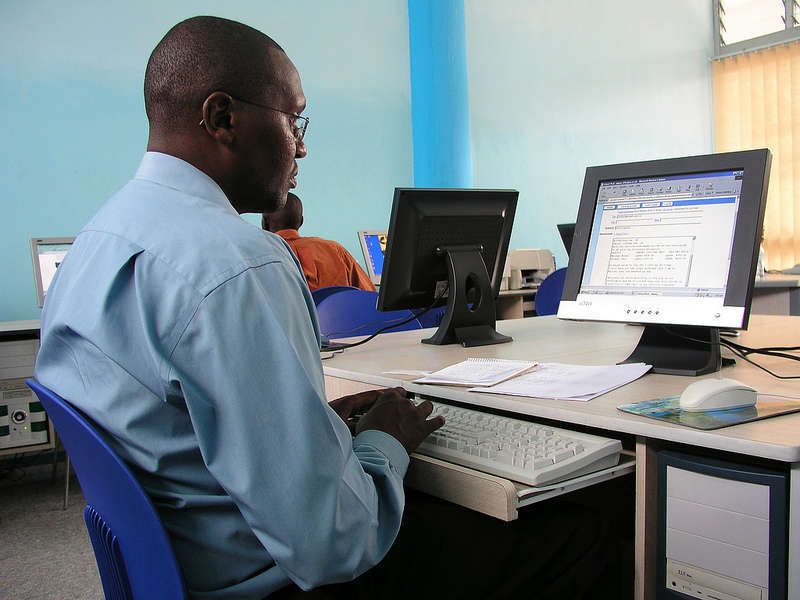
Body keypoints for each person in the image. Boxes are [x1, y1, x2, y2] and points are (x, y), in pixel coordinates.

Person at [34, 16, 629, 600]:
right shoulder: (240, 264)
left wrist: (316, 427)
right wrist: (383, 440)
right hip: (281, 581)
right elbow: (335, 544)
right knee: (590, 530)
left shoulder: (99, 240)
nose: (302, 147)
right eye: (295, 120)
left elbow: (178, 422)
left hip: (179, 568)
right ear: (223, 118)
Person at [262, 192, 376, 291]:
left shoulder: (260, 257)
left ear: (265, 224)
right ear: (301, 221)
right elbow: (371, 299)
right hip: (336, 315)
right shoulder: (335, 250)